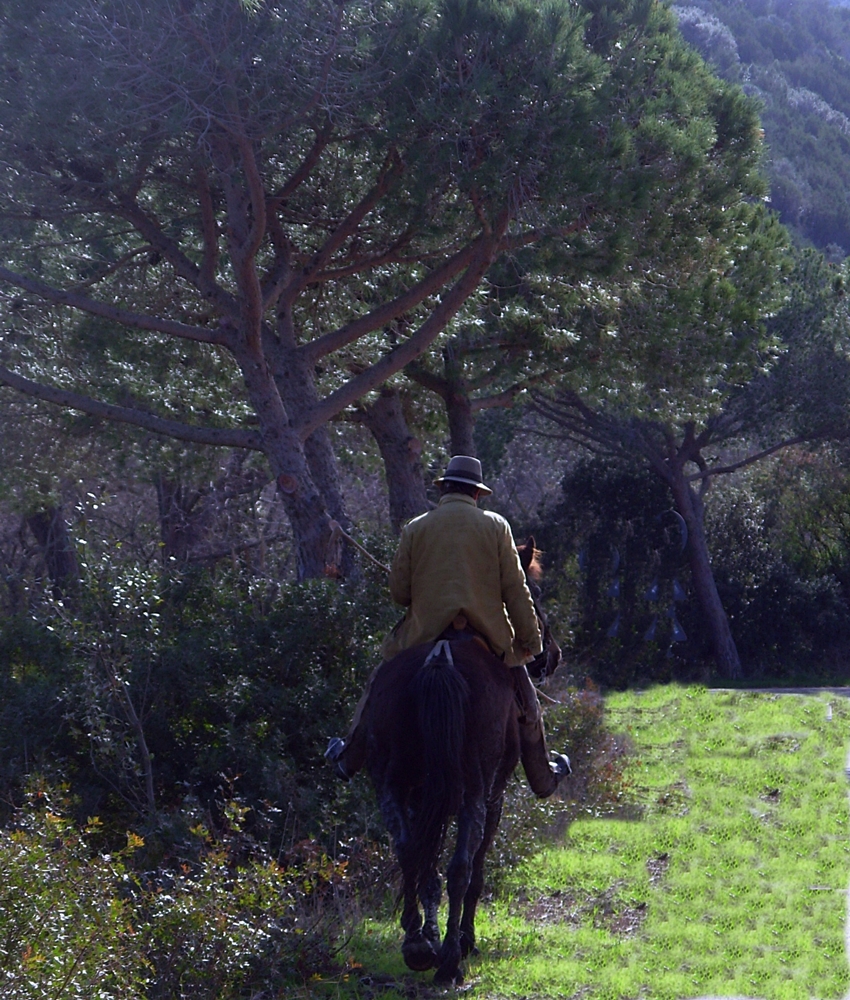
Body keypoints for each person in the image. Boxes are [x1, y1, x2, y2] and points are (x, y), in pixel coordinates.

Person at [326, 455, 570, 796]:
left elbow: (398, 593)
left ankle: (349, 758)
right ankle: (543, 777)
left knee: (378, 685)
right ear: (477, 494)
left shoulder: (416, 527)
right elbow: (516, 591)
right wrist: (531, 641)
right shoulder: (497, 526)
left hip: (424, 634)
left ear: (445, 489)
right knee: (528, 706)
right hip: (488, 639)